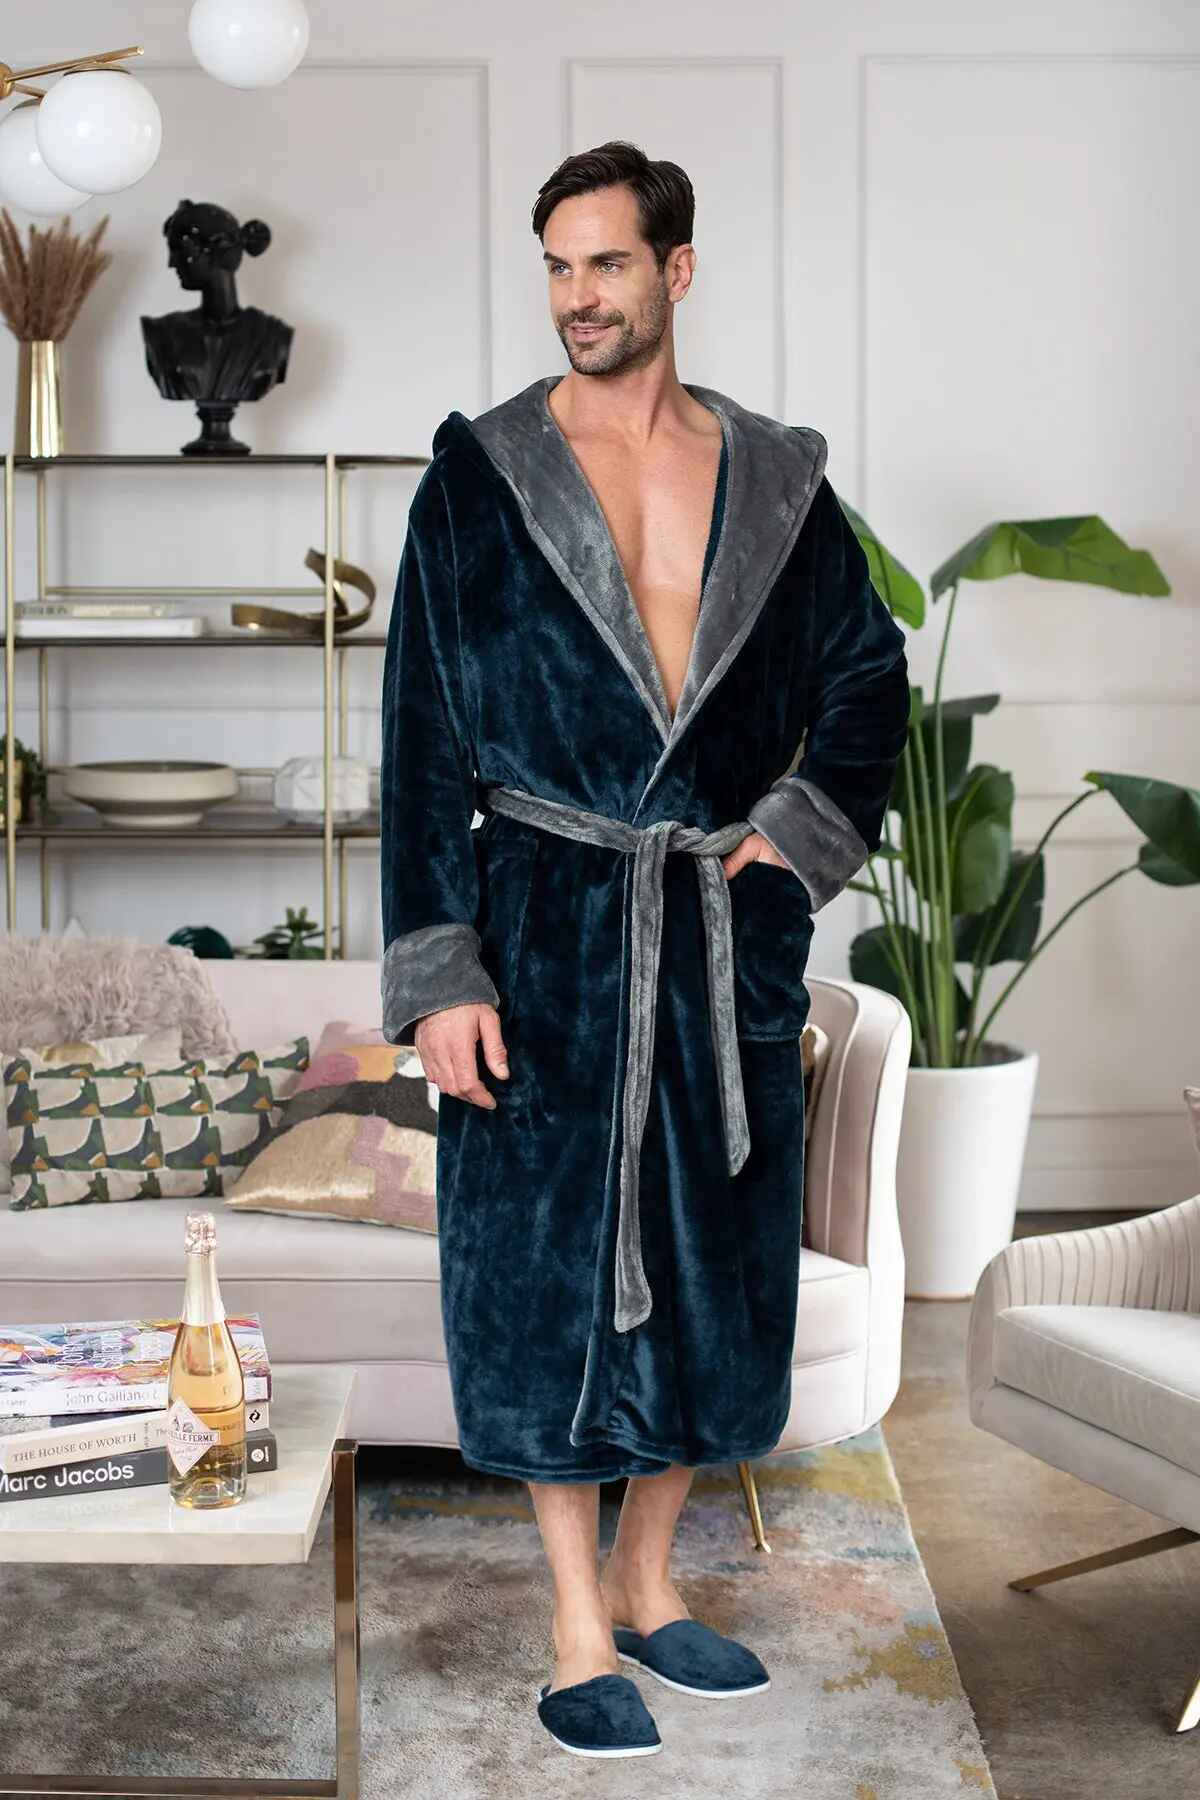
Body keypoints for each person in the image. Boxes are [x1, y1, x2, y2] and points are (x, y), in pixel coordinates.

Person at [379, 139, 911, 1759]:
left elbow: (867, 678)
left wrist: (788, 844)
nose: (577, 297)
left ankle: (652, 1581)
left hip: (712, 934)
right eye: (556, 266)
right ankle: (571, 1621)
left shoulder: (780, 483)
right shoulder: (482, 479)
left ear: (676, 269)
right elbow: (421, 736)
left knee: (707, 1262)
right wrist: (441, 970)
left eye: (606, 263)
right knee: (541, 1278)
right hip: (539, 929)